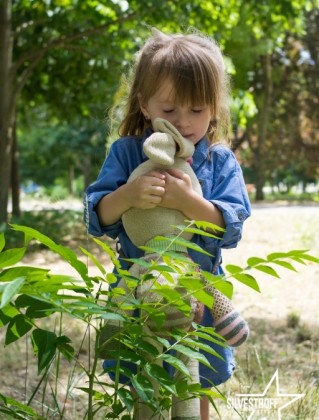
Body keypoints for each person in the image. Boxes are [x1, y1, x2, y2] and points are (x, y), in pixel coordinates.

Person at [84, 28, 251, 420]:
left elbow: (231, 226)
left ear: (214, 107)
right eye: (171, 109)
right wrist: (126, 196)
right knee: (143, 380)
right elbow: (98, 218)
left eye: (197, 110)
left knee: (197, 381)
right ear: (145, 104)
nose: (185, 122)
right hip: (141, 292)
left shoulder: (220, 161)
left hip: (198, 294)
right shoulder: (126, 153)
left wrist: (188, 203)